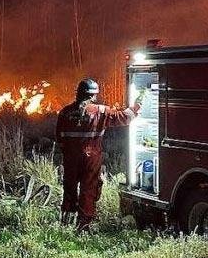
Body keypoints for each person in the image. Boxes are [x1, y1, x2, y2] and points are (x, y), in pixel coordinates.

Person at [55, 78, 143, 231]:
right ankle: (83, 225)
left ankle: (66, 222)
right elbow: (123, 118)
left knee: (69, 188)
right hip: (91, 158)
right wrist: (135, 107)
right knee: (89, 189)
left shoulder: (64, 112)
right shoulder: (101, 111)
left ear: (78, 94)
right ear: (94, 95)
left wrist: (68, 152)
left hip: (70, 158)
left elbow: (60, 138)